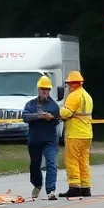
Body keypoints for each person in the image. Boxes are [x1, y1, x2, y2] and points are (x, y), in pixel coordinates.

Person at [22, 75, 61, 200]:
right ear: (38, 90)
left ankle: (51, 190)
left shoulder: (54, 106)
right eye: (43, 89)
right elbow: (25, 117)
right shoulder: (31, 104)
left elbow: (57, 119)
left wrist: (51, 117)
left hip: (49, 140)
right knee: (35, 164)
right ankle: (37, 184)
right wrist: (39, 116)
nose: (45, 92)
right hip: (34, 140)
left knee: (52, 163)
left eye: (47, 90)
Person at [58, 70, 94, 198]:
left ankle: (74, 187)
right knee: (83, 160)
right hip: (87, 134)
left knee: (72, 160)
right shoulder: (87, 96)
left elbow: (65, 113)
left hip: (75, 134)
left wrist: (60, 108)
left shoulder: (74, 96)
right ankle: (85, 187)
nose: (67, 86)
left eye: (68, 84)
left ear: (72, 84)